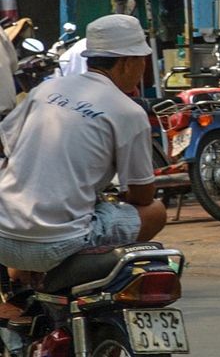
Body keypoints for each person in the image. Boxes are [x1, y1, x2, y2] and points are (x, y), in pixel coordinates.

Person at [0, 14, 166, 278]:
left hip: (4, 239)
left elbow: (6, 145)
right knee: (155, 212)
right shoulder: (129, 112)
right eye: (141, 61)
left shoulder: (45, 90)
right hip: (56, 246)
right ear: (126, 63)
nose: (142, 70)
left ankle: (21, 284)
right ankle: (78, 275)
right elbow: (142, 196)